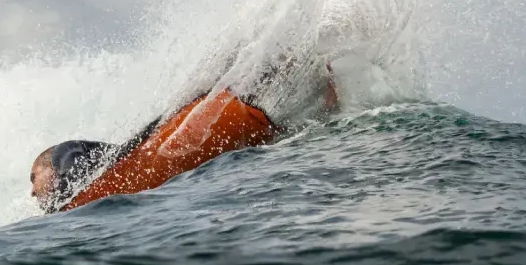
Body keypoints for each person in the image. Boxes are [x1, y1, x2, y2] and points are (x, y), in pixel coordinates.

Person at [32, 59, 340, 213]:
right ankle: (320, 81)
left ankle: (297, 54)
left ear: (49, 164)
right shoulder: (108, 183)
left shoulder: (64, 154)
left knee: (259, 82)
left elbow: (75, 165)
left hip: (197, 118)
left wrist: (58, 203)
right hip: (233, 133)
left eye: (33, 178)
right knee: (289, 118)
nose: (33, 192)